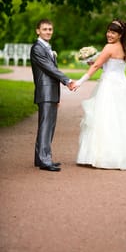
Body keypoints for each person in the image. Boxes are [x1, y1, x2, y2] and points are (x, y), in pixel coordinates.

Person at [75, 19, 126, 170]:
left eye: (113, 32)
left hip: (109, 86)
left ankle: (104, 156)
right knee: (120, 119)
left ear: (120, 35)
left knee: (105, 118)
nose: (109, 34)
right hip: (120, 86)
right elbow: (108, 67)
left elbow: (97, 65)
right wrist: (92, 62)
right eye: (109, 31)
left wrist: (79, 82)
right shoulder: (122, 48)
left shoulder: (109, 47)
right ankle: (122, 155)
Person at [30, 19, 77, 172]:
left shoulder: (47, 47)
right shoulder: (37, 48)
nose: (48, 32)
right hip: (45, 92)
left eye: (50, 29)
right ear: (38, 31)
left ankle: (42, 157)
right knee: (45, 126)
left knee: (49, 126)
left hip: (51, 92)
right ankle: (44, 160)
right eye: (45, 29)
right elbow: (49, 68)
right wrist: (67, 80)